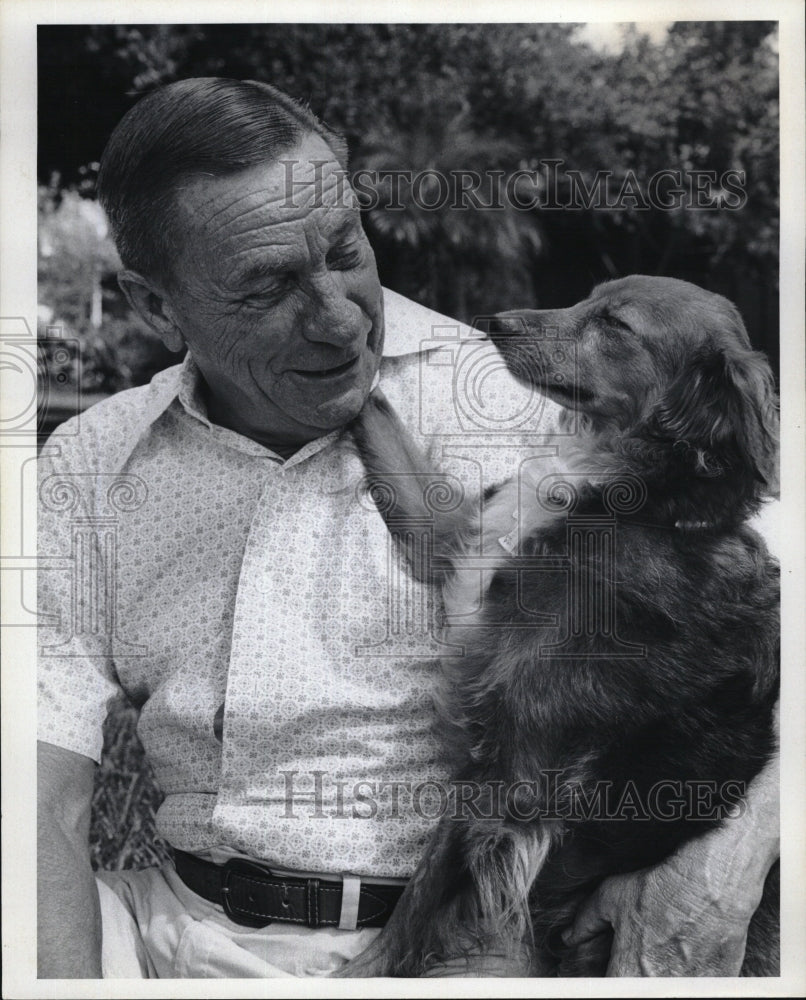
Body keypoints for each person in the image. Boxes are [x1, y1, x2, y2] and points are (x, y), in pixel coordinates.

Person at [37, 77, 780, 979]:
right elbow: (35, 797)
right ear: (156, 308)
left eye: (346, 250)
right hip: (171, 928)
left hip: (469, 934)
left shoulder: (541, 399)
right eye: (268, 287)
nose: (340, 317)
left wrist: (727, 860)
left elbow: (760, 630)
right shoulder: (92, 463)